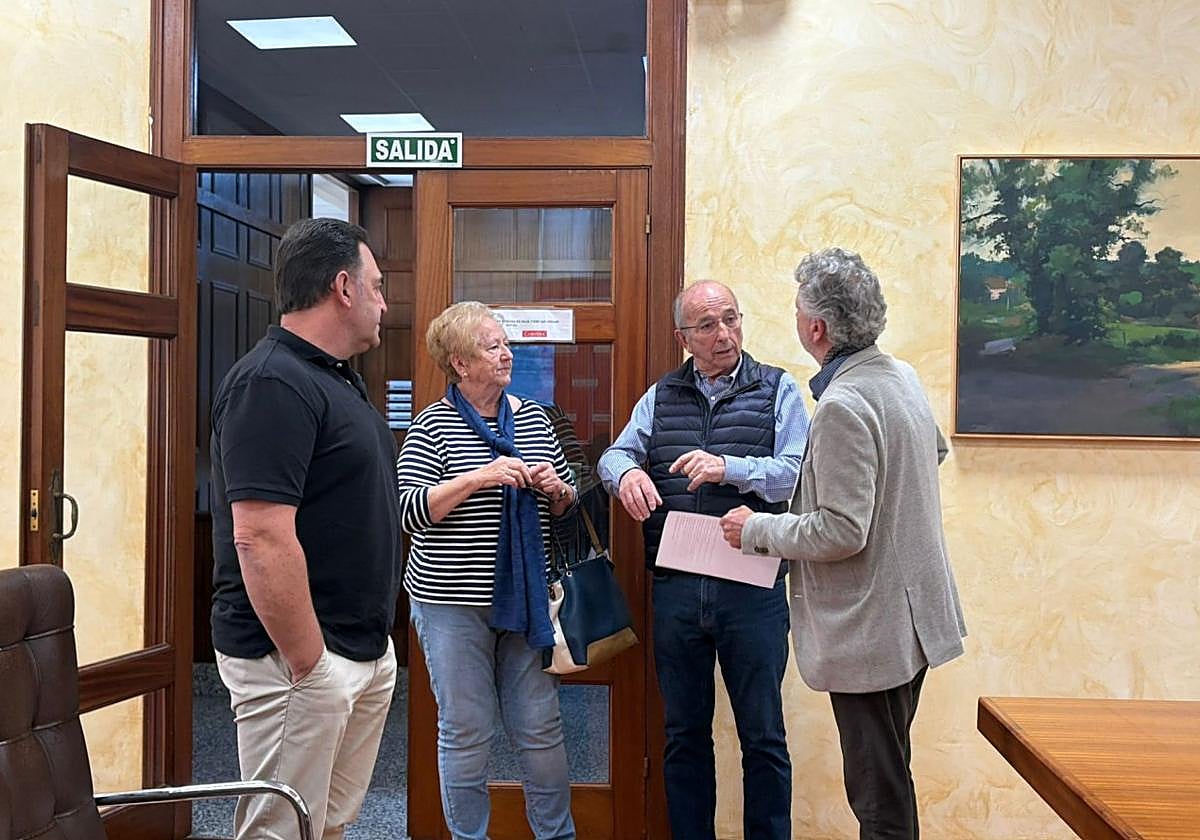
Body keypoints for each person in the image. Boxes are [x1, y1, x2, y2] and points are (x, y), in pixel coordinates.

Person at [721, 247, 967, 840]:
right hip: (913, 616)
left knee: (878, 799)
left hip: (874, 628)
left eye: (797, 308)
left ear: (817, 328)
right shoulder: (900, 376)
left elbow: (840, 529)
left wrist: (755, 530)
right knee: (889, 776)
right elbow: (930, 452)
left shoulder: (843, 404)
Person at [209, 218, 401, 840]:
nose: (383, 302)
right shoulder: (272, 382)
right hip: (296, 660)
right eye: (376, 286)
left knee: (327, 825)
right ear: (343, 287)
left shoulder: (336, 376)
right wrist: (309, 663)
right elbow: (259, 536)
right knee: (280, 830)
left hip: (358, 649)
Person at [597, 281, 808, 840]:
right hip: (678, 589)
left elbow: (795, 469)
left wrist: (729, 467)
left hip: (752, 589)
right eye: (708, 326)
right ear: (682, 338)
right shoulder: (662, 395)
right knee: (683, 734)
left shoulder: (778, 389)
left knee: (763, 736)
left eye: (731, 320)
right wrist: (628, 474)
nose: (724, 335)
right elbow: (613, 453)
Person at [397, 301, 578, 840]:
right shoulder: (431, 424)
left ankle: (557, 835)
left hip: (528, 600)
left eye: (506, 344)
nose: (506, 354)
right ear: (459, 363)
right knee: (467, 730)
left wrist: (556, 489)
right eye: (492, 346)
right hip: (450, 603)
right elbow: (411, 512)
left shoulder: (536, 417)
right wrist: (480, 477)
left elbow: (569, 506)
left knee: (540, 728)